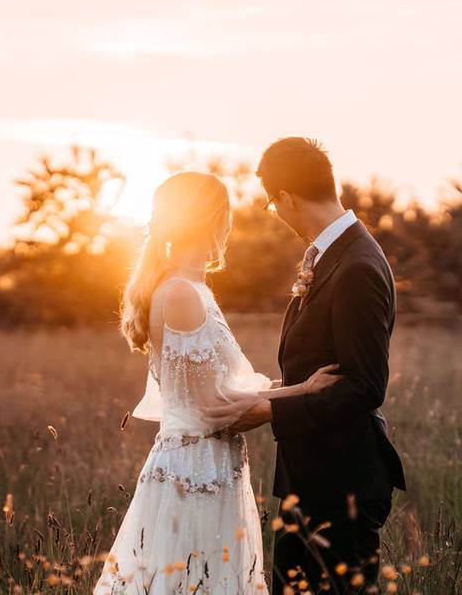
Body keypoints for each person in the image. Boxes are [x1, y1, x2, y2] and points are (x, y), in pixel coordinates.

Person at [95, 171, 341, 595]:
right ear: (214, 220)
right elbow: (216, 407)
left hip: (213, 465)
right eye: (227, 215)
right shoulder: (180, 294)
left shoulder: (192, 287)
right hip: (195, 472)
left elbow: (222, 387)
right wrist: (303, 391)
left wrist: (292, 382)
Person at [206, 137, 406, 593]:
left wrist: (269, 410)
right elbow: (315, 369)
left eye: (271, 202)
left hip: (343, 486)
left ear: (287, 198)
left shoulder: (356, 265)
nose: (273, 212)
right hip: (310, 475)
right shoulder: (328, 253)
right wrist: (273, 392)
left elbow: (364, 385)